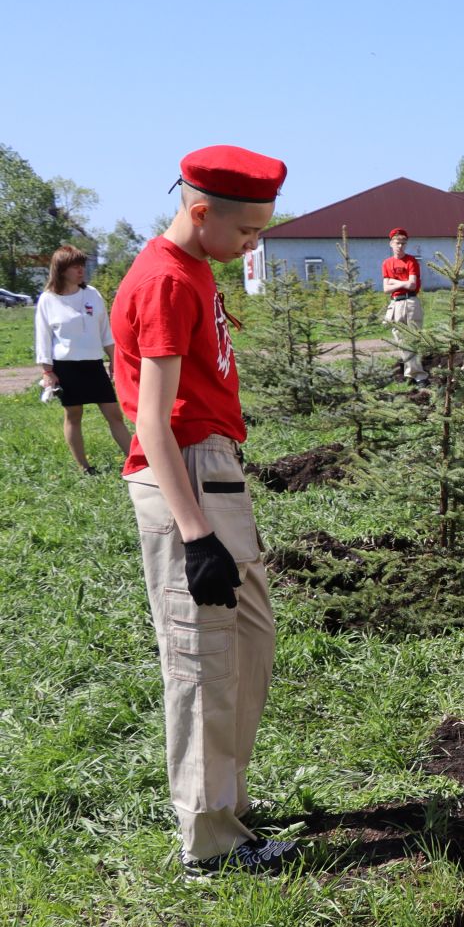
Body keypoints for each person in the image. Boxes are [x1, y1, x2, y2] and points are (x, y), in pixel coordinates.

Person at [113, 146, 295, 878]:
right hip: (184, 477)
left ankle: (225, 802)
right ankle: (210, 843)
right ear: (199, 212)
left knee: (248, 646)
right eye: (248, 232)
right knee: (203, 662)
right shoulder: (164, 279)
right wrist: (196, 538)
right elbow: (150, 424)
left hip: (212, 471)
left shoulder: (194, 270)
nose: (252, 246)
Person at [36, 243, 133, 474]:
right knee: (74, 415)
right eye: (75, 266)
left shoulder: (92, 294)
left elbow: (105, 332)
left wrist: (114, 361)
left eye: (82, 265)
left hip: (94, 365)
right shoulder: (48, 300)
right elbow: (43, 337)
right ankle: (84, 467)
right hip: (66, 367)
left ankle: (137, 461)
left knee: (114, 413)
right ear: (61, 270)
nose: (81, 270)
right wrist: (47, 371)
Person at [381, 227, 427, 384]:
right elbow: (386, 289)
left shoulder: (411, 261)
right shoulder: (387, 263)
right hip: (395, 304)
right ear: (391, 244)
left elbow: (413, 285)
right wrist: (403, 283)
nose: (400, 246)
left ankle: (419, 375)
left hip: (411, 302)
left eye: (403, 243)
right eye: (397, 243)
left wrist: (394, 281)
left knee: (413, 338)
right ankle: (410, 373)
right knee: (400, 340)